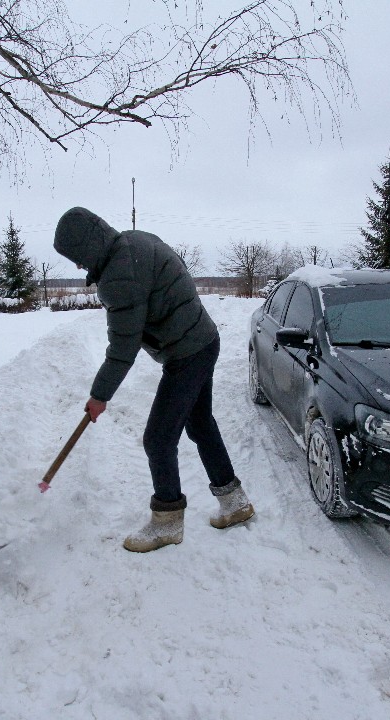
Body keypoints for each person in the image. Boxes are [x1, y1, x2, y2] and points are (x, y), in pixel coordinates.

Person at [53, 207, 255, 552]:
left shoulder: (118, 277)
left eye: (76, 258)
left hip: (187, 352)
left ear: (86, 248)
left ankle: (167, 522)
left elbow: (123, 346)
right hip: (204, 339)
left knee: (158, 439)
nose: (78, 266)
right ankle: (234, 502)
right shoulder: (133, 241)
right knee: (200, 423)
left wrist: (99, 395)